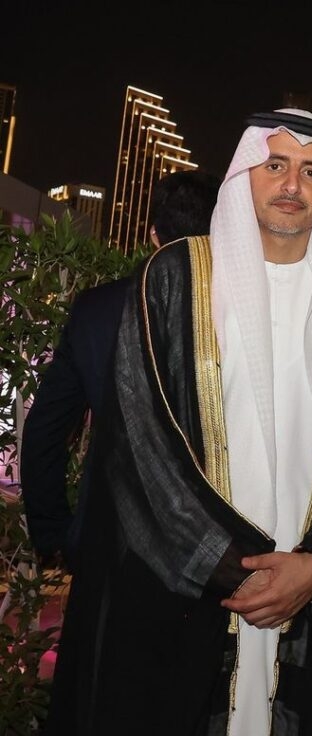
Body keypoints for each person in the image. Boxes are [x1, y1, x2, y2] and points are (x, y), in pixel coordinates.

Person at [47, 109, 312, 736]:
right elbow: (138, 445)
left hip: (307, 590)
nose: (292, 184)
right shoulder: (175, 278)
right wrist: (232, 566)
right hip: (187, 591)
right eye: (276, 165)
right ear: (246, 174)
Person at [21, 169, 221, 567]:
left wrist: (55, 533)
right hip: (211, 552)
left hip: (107, 542)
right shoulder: (236, 316)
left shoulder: (97, 310)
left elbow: (45, 430)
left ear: (152, 235)